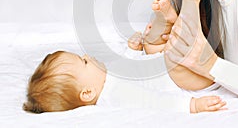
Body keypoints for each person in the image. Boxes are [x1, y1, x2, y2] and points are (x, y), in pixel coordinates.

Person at [23, 49, 227, 114]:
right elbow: (153, 100)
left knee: (156, 42)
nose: (87, 56)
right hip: (177, 79)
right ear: (87, 93)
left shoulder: (104, 78)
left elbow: (130, 66)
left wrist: (133, 49)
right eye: (84, 61)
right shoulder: (114, 93)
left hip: (162, 65)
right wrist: (193, 105)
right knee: (182, 52)